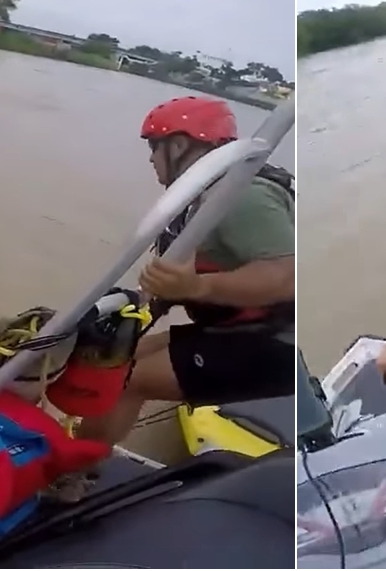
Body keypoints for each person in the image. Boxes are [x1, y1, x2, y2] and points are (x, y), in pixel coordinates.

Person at [55, 96, 295, 500]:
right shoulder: (204, 196)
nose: (150, 159)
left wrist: (198, 289)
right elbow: (182, 271)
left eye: (155, 146)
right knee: (119, 358)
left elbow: (286, 276)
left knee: (127, 380)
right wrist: (132, 317)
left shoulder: (242, 198)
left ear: (182, 145)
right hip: (242, 329)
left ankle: (72, 479)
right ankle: (84, 450)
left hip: (277, 342)